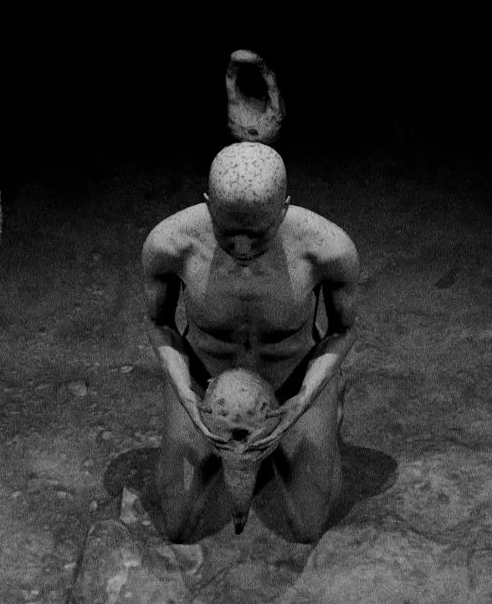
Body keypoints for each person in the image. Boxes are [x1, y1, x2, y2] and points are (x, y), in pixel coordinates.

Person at [141, 142, 359, 542]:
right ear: (208, 206)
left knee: (306, 527)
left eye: (257, 235)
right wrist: (187, 395)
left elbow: (342, 330)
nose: (242, 248)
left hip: (290, 378)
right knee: (179, 524)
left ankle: (330, 398)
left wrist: (304, 399)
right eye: (228, 232)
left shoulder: (327, 248)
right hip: (205, 378)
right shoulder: (170, 243)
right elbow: (159, 323)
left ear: (284, 209)